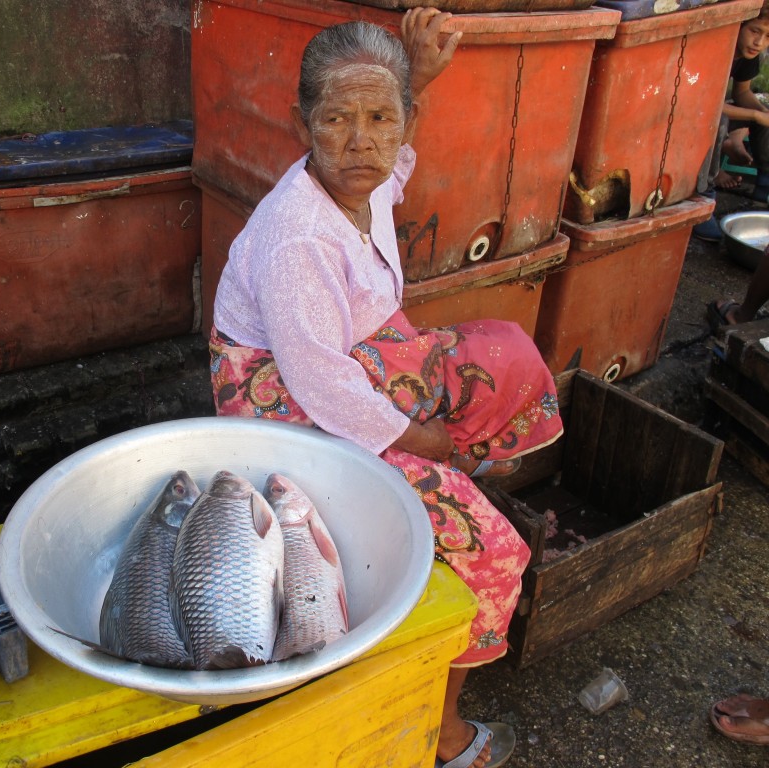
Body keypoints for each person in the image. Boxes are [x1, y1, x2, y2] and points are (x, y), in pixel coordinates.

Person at [208, 12, 563, 768]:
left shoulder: (364, 173)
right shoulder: (299, 237)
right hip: (289, 395)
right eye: (336, 118)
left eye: (382, 117)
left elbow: (393, 167)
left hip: (346, 355)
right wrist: (420, 440)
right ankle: (444, 734)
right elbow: (320, 382)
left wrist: (417, 76)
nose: (361, 141)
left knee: (505, 356)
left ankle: (449, 478)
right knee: (495, 549)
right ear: (301, 121)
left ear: (404, 122)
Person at [694, 4, 769, 242]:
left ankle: (763, 189)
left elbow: (743, 93)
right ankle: (703, 199)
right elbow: (707, 104)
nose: (759, 42)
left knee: (762, 113)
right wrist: (756, 116)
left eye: (768, 37)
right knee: (721, 119)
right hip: (695, 111)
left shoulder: (748, 55)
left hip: (718, 107)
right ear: (738, 25)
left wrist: (762, 113)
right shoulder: (718, 47)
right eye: (754, 31)